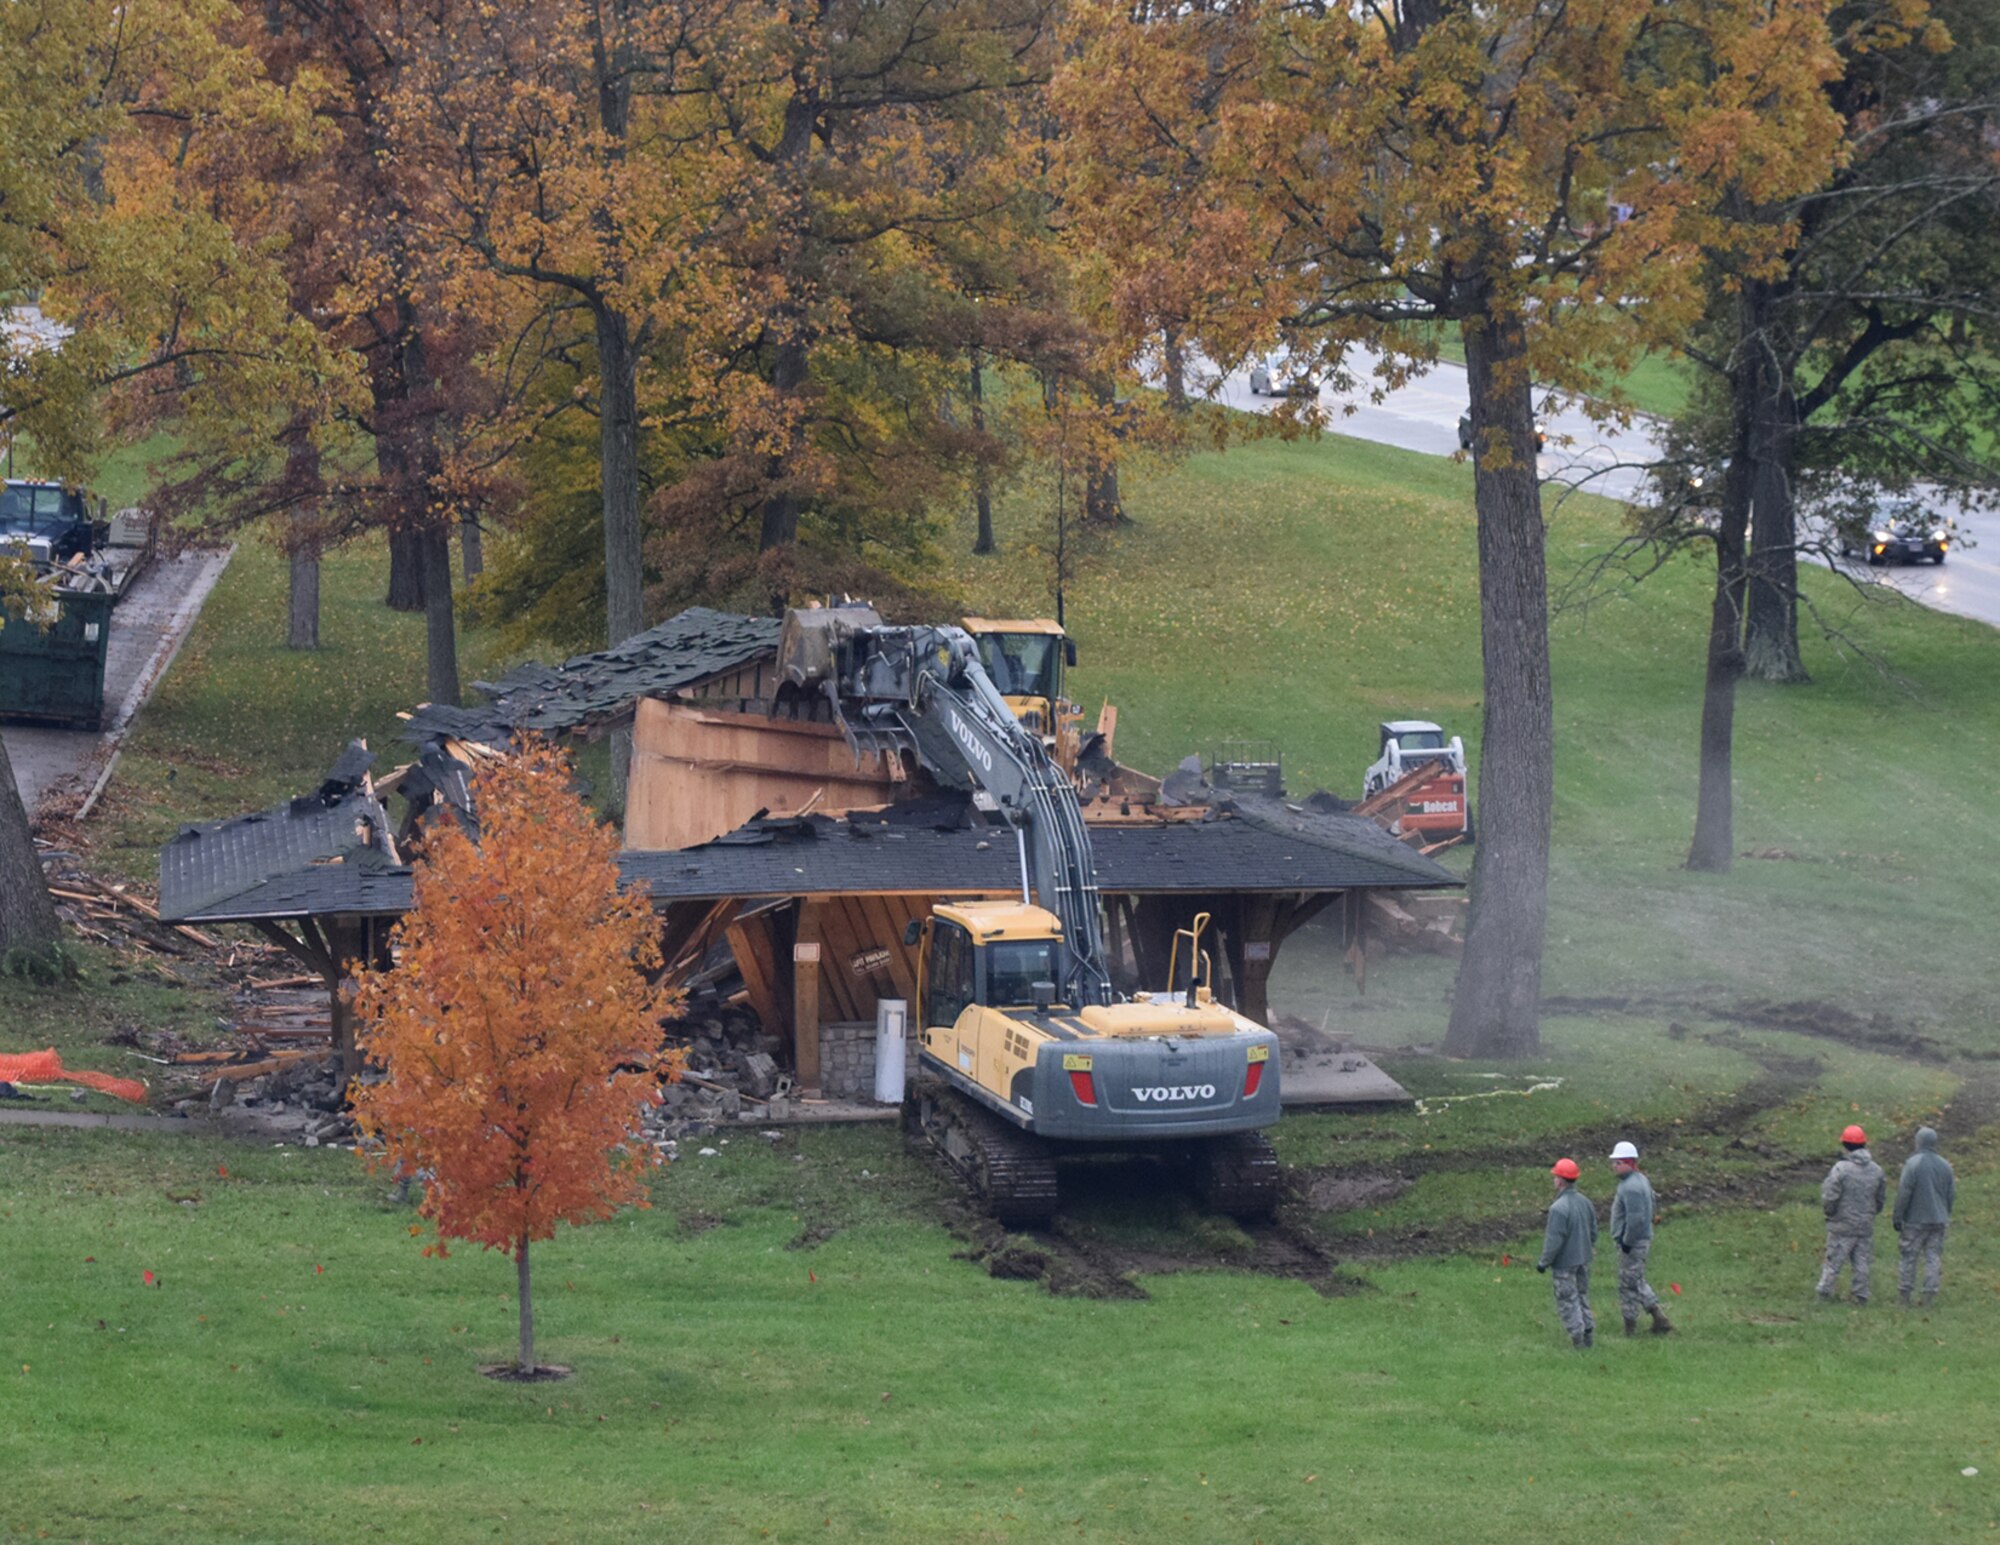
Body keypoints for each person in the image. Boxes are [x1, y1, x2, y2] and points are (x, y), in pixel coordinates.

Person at [1608, 1140, 1673, 1336]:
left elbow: (1635, 1219)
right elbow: (1651, 1208)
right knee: (1636, 1280)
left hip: (1633, 1243)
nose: (1614, 1166)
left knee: (1628, 1284)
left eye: (1617, 1163)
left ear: (1629, 1163)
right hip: (1640, 1240)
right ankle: (1658, 1318)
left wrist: (1626, 1241)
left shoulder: (1630, 1187)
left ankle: (1631, 1327)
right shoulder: (1641, 1180)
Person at [1817, 1124, 1886, 1305]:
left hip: (1842, 1224)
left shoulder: (1841, 1169)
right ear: (1864, 1144)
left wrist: (1830, 1213)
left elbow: (1830, 1196)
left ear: (1845, 1144)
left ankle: (1824, 1293)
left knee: (1833, 1261)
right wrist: (1871, 1213)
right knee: (1861, 1262)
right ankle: (1861, 1295)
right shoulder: (1876, 1170)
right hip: (1865, 1225)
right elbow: (1880, 1199)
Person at [1537, 1157, 1598, 1349]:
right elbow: (1594, 1231)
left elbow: (1554, 1240)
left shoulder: (1558, 1209)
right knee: (1582, 1296)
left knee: (1567, 1301)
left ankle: (1578, 1340)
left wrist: (1544, 1262)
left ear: (1560, 1180)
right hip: (1584, 1259)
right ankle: (1588, 1334)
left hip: (1564, 1264)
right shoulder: (1585, 1202)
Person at [1893, 1125, 1956, 1307]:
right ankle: (1929, 1296)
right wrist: (1946, 1213)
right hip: (1939, 1220)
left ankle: (1904, 1297)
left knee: (1909, 1257)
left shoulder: (1913, 1163)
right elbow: (1951, 1194)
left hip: (1915, 1220)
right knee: (1933, 1257)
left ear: (1918, 1142)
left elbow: (1904, 1192)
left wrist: (1898, 1217)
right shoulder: (1945, 1165)